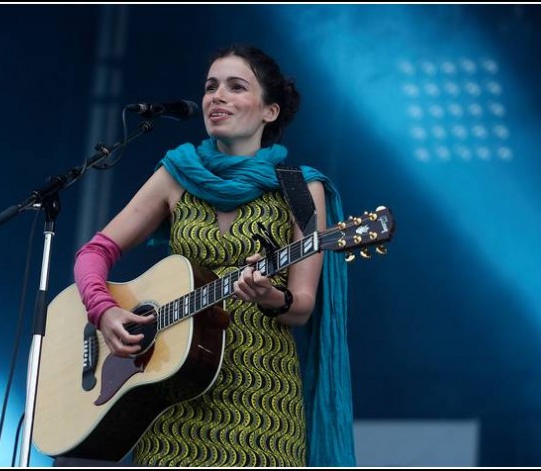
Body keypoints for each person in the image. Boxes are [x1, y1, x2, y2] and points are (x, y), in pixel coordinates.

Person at [74, 44, 355, 467]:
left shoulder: (299, 187)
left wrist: (270, 297)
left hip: (261, 394)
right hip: (171, 391)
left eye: (235, 87)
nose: (216, 97)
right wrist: (104, 311)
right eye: (210, 87)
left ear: (270, 112)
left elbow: (303, 307)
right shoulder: (175, 175)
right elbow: (95, 251)